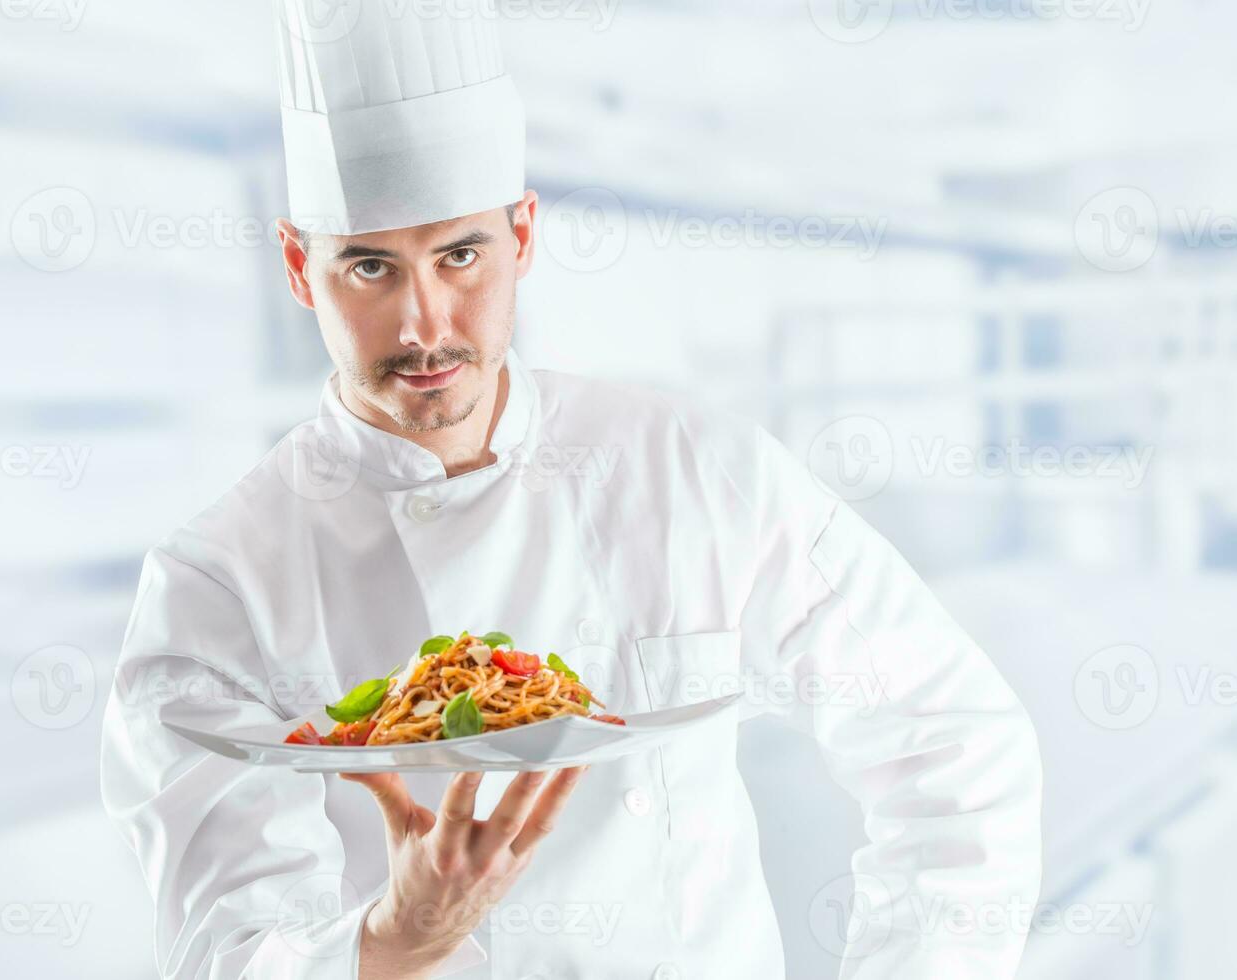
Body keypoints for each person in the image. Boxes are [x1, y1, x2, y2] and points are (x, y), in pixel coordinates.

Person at [99, 2, 1043, 978]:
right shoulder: (214, 583)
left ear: (525, 235)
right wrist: (389, 944)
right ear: (301, 266)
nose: (425, 325)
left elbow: (954, 739)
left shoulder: (695, 473)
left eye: (459, 255)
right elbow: (224, 952)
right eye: (370, 267)